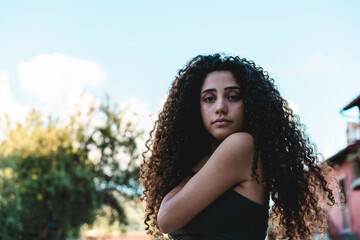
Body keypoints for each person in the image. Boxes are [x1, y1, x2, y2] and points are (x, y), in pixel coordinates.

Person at [139, 54, 336, 239]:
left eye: (232, 96)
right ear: (194, 108)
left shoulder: (242, 145)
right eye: (209, 98)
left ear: (249, 103)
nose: (220, 107)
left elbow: (166, 219)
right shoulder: (212, 160)